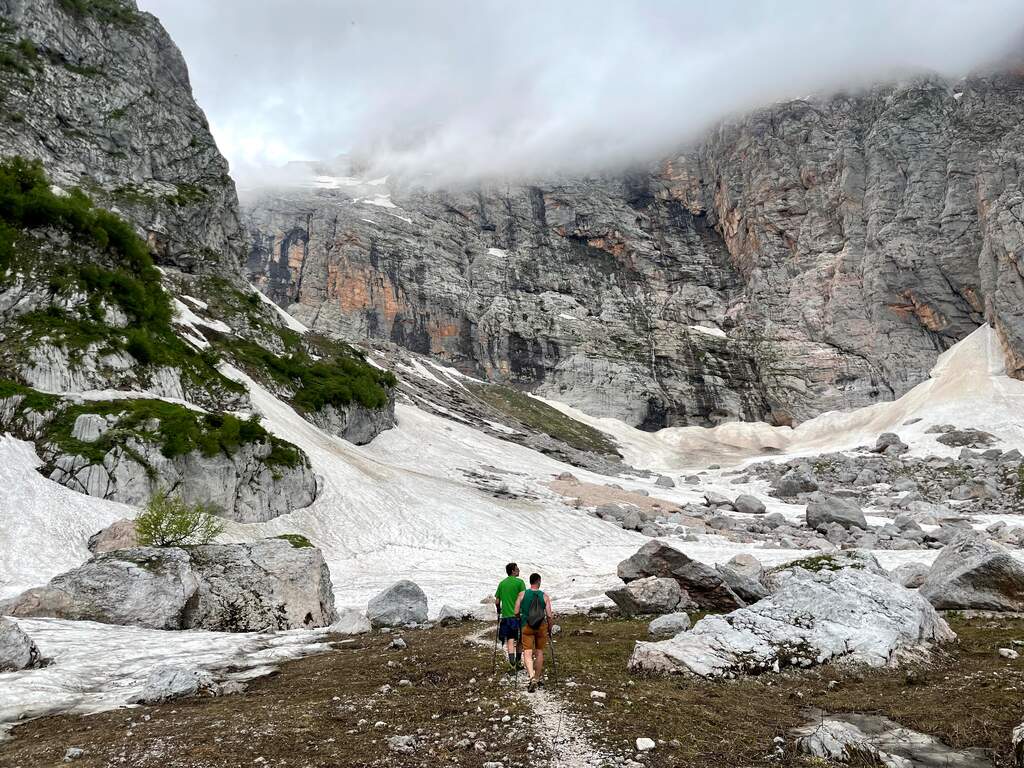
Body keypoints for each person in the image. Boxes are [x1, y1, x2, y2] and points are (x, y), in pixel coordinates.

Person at [514, 572, 553, 692]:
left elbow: (516, 611)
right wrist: (549, 629)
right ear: (539, 581)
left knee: (527, 652)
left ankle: (531, 676)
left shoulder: (522, 594)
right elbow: (549, 615)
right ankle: (537, 677)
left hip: (527, 626)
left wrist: (519, 619)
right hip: (541, 627)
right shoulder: (544, 596)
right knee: (539, 652)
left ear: (530, 582)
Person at [494, 562, 526, 672]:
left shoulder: (502, 584)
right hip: (518, 616)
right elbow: (523, 598)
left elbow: (497, 601)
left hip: (506, 616)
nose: (519, 570)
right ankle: (518, 662)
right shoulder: (520, 582)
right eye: (517, 569)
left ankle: (511, 664)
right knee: (520, 640)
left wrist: (499, 610)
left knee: (510, 640)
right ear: (513, 571)